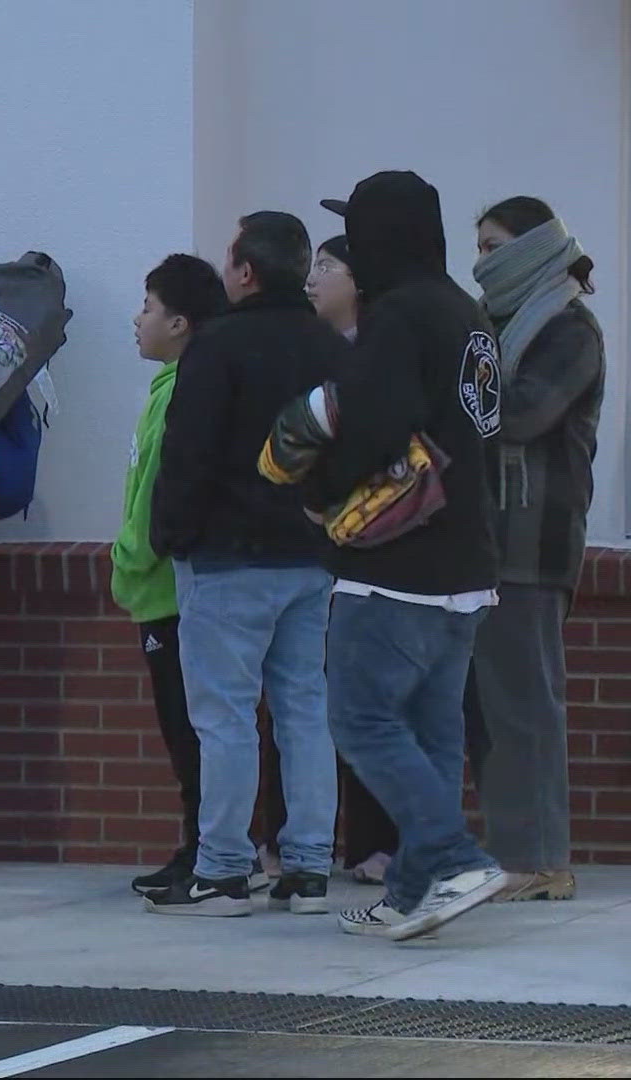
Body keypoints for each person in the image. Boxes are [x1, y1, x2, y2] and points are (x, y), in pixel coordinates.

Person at [271, 171, 508, 941]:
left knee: (364, 720)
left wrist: (319, 498)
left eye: (358, 231)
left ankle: (452, 856)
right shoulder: (465, 312)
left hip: (396, 567)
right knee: (433, 732)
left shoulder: (399, 314)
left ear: (386, 236)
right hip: (466, 561)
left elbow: (372, 426)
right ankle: (414, 892)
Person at [144, 211, 344, 918]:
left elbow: (188, 452)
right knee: (305, 709)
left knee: (225, 717)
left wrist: (173, 534)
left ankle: (226, 868)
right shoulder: (330, 346)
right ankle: (310, 866)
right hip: (311, 555)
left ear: (248, 271)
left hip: (227, 556)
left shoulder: (219, 345)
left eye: (231, 263)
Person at [465, 196, 604, 903]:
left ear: (530, 249)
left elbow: (516, 415)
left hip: (533, 542)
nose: (479, 263)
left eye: (492, 247)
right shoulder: (501, 325)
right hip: (489, 540)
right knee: (492, 707)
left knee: (525, 703)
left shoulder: (568, 328)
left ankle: (541, 859)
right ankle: (517, 851)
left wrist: (454, 388)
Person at [113, 254, 229, 895]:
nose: (138, 319)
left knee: (190, 730)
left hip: (169, 591)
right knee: (181, 728)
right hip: (154, 590)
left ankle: (203, 850)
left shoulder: (185, 392)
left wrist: (130, 554)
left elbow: (159, 493)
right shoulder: (166, 387)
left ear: (181, 322)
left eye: (149, 308)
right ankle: (197, 845)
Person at [306, 233, 399, 885]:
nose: (313, 277)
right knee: (329, 700)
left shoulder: (385, 352)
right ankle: (345, 841)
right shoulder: (316, 352)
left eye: (327, 265)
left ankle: (382, 842)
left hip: (380, 551)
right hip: (319, 553)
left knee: (380, 700)